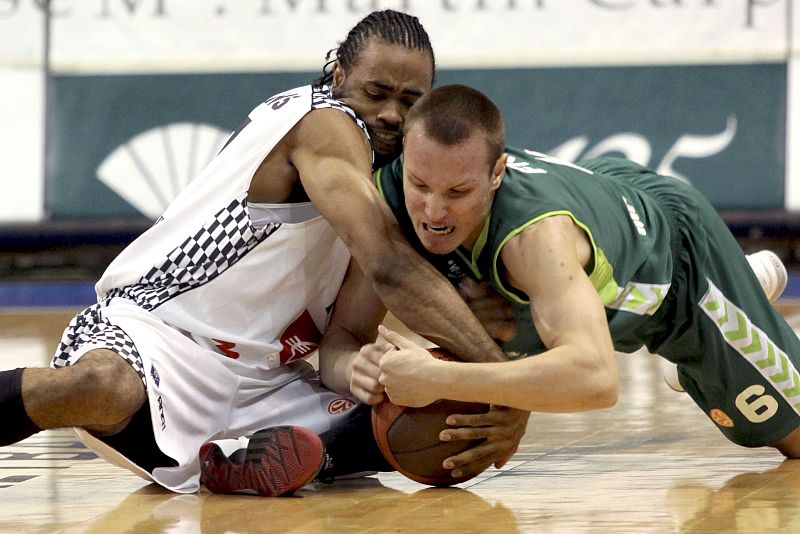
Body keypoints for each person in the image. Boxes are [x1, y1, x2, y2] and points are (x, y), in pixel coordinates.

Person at [0, 14, 528, 497]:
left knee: (439, 417)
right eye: (377, 92)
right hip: (159, 334)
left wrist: (364, 371)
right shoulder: (324, 122)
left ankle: (247, 462)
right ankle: (291, 456)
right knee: (99, 388)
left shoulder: (398, 184)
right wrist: (506, 381)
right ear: (338, 74)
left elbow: (342, 342)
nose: (391, 113)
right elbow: (390, 268)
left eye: (410, 101)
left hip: (265, 384)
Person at [319, 83, 800, 462]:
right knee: (499, 315)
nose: (434, 211)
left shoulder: (536, 238)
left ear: (496, 173)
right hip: (596, 215)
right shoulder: (386, 198)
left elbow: (595, 379)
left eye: (458, 192)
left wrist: (443, 381)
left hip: (675, 267)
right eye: (420, 184)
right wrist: (355, 372)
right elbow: (340, 339)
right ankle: (738, 298)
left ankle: (713, 316)